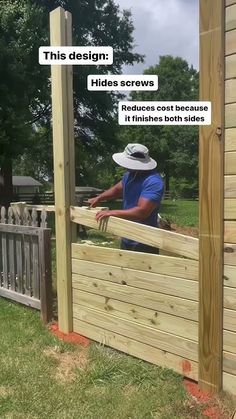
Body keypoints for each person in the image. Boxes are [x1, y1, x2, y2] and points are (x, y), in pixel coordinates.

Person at [88, 143, 164, 254]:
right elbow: (117, 190)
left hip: (145, 241)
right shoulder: (130, 175)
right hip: (127, 234)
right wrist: (99, 198)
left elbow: (142, 212)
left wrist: (112, 212)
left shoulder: (153, 181)